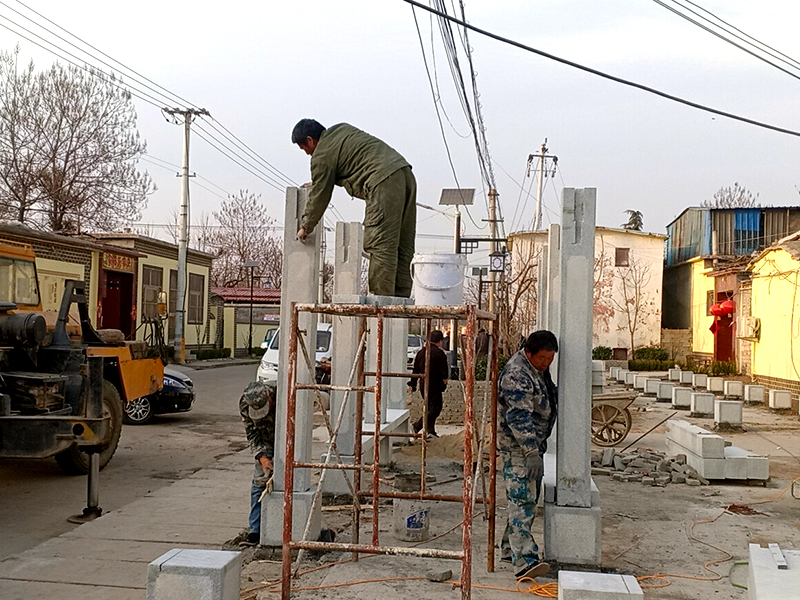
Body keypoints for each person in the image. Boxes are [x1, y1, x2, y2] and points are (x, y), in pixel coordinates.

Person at [292, 119, 416, 298]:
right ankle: (400, 302)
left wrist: (305, 226)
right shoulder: (341, 129)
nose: (308, 154)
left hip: (382, 182)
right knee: (402, 244)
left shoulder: (321, 156)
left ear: (310, 140)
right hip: (404, 174)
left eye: (305, 149)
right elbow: (350, 163)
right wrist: (322, 180)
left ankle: (382, 306)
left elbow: (320, 194)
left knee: (380, 244)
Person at [497, 330, 558, 581]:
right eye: (542, 358)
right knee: (522, 499)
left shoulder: (537, 370)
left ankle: (508, 549)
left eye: (550, 358)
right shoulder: (517, 375)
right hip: (519, 447)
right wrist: (531, 452)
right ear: (529, 352)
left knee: (525, 498)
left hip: (532, 445)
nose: (546, 363)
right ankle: (524, 560)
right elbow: (518, 416)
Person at [238, 381, 277, 547]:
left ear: (270, 397)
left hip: (288, 435)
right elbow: (252, 433)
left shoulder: (284, 394)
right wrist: (262, 458)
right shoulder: (245, 404)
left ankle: (280, 525)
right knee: (259, 482)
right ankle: (255, 530)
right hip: (265, 439)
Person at [407, 329, 449, 438]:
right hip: (435, 385)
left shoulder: (421, 352)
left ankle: (431, 431)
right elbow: (444, 372)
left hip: (423, 384)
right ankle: (417, 426)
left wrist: (412, 384)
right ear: (439, 341)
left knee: (429, 407)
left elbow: (415, 370)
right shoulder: (440, 353)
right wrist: (444, 382)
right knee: (435, 408)